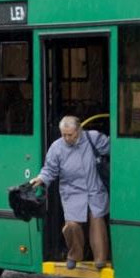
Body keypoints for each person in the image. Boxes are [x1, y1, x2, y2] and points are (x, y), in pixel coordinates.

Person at [30, 116, 110, 270]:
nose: (67, 138)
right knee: (71, 226)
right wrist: (40, 179)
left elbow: (114, 146)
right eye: (63, 134)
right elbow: (50, 169)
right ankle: (75, 254)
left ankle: (100, 259)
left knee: (97, 222)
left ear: (79, 130)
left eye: (70, 134)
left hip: (95, 190)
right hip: (72, 193)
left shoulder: (92, 138)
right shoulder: (57, 148)